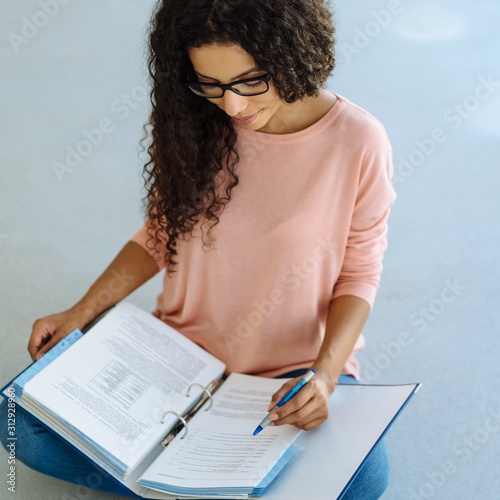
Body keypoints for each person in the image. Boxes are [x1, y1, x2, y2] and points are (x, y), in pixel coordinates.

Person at [1, 0, 396, 498]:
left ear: (293, 53)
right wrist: (82, 312)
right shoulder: (193, 121)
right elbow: (161, 232)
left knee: (365, 480)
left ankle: (180, 484)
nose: (233, 107)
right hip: (178, 360)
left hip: (291, 372)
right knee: (22, 424)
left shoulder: (358, 142)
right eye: (210, 84)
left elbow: (359, 274)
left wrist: (325, 375)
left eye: (251, 81)